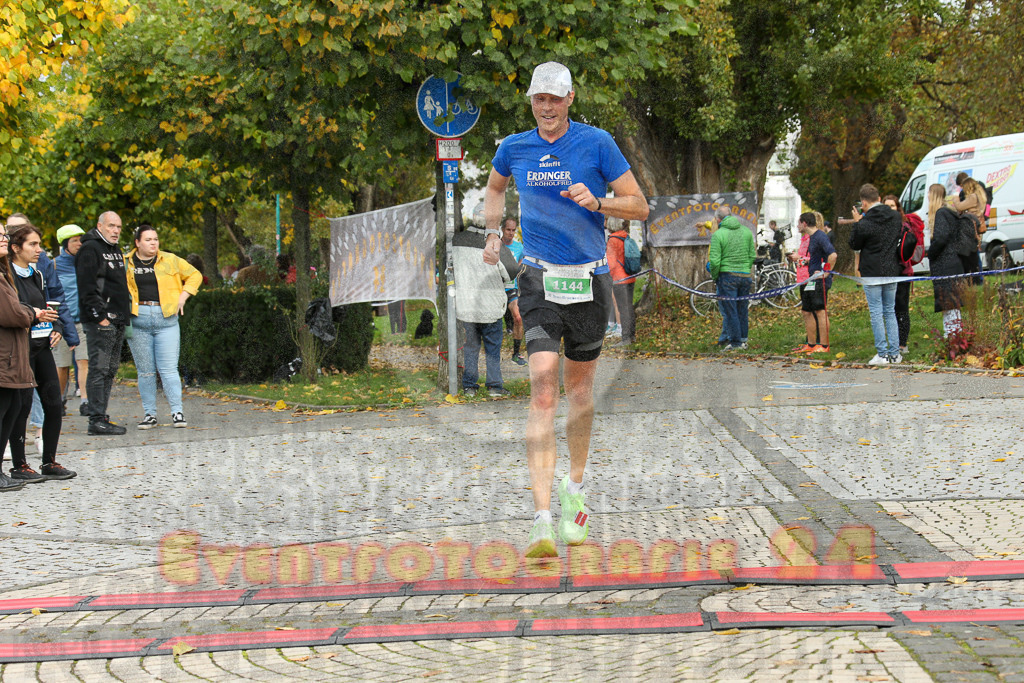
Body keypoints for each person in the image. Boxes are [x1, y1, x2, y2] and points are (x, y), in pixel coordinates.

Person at [483, 62, 649, 558]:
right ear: (531, 101)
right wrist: (493, 233)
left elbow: (639, 205)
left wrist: (599, 202)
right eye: (539, 99)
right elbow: (493, 188)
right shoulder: (513, 148)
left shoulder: (597, 143)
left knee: (579, 391)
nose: (547, 107)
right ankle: (539, 520)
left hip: (590, 279)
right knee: (542, 391)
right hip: (536, 278)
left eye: (555, 98)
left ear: (571, 98)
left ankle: (573, 488)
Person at [6, 223, 76, 481]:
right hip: (20, 350)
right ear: (16, 248)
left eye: (40, 244)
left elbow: (46, 305)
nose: (39, 249)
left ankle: (50, 461)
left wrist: (56, 326)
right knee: (21, 408)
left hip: (42, 347)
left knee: (54, 405)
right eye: (32, 245)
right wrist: (36, 318)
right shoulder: (7, 276)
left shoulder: (37, 273)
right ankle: (19, 465)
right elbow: (16, 311)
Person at [124, 225, 203, 429]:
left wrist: (183, 297)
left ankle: (177, 412)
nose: (153, 243)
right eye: (148, 239)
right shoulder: (125, 262)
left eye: (156, 239)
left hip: (166, 319)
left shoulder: (170, 259)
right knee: (146, 372)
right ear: (137, 243)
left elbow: (195, 275)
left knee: (168, 369)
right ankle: (150, 415)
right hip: (138, 319)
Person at [454, 207, 520, 397]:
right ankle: (494, 386)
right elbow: (511, 272)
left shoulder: (457, 240)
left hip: (467, 305)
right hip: (490, 305)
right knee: (492, 348)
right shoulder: (496, 244)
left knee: (471, 347)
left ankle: (469, 387)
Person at [76, 211, 131, 435]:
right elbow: (87, 288)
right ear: (100, 225)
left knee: (110, 369)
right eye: (111, 226)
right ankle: (95, 419)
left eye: (118, 226)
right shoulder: (90, 249)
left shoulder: (114, 249)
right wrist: (101, 317)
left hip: (117, 319)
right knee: (99, 369)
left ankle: (101, 414)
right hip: (101, 320)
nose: (116, 230)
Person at [0, 222, 39, 492]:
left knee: (12, 409)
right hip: (3, 355)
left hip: (11, 353)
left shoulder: (4, 272)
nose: (3, 238)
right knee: (4, 410)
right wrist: (31, 314)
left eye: (3, 233)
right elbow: (11, 313)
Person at [849, 184, 903, 365]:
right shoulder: (895, 216)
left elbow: (854, 244)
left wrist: (857, 223)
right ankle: (895, 353)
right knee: (890, 311)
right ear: (879, 199)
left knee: (876, 312)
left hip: (872, 270)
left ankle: (882, 354)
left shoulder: (865, 222)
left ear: (863, 202)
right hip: (890, 269)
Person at [708, 206, 756, 351]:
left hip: (727, 276)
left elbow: (715, 262)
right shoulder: (747, 232)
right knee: (742, 309)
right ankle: (743, 340)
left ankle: (735, 343)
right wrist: (745, 269)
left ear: (718, 219)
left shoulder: (718, 235)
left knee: (730, 311)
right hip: (745, 276)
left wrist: (715, 276)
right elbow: (752, 256)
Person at [53, 224, 89, 412]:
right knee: (63, 365)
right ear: (65, 244)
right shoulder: (55, 265)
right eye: (74, 241)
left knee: (84, 361)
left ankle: (85, 401)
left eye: (81, 240)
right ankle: (59, 400)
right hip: (62, 323)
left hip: (83, 321)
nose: (79, 244)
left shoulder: (87, 263)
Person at [883, 195, 924, 354]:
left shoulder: (903, 226)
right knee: (889, 309)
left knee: (901, 309)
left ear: (897, 207)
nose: (889, 209)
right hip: (887, 274)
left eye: (892, 206)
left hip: (902, 273)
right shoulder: (882, 226)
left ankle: (902, 344)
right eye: (886, 206)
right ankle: (893, 341)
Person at [925, 184, 965, 337]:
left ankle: (953, 339)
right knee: (952, 305)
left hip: (945, 264)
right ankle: (955, 338)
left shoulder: (941, 213)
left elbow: (941, 238)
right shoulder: (950, 212)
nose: (927, 196)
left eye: (929, 192)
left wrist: (931, 253)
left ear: (933, 195)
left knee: (949, 304)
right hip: (953, 263)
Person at [793, 212, 836, 353]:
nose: (797, 226)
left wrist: (826, 272)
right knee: (806, 311)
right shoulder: (810, 238)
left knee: (820, 311)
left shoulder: (820, 236)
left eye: (799, 223)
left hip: (819, 281)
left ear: (805, 223)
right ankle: (811, 344)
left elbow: (833, 255)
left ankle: (824, 345)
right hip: (808, 279)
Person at [500, 217, 527, 365]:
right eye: (508, 230)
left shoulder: (519, 248)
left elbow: (522, 265)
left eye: (513, 230)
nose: (510, 233)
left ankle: (516, 354)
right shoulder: (495, 245)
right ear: (503, 229)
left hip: (512, 288)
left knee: (518, 318)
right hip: (496, 289)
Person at [606, 219, 636, 346]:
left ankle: (626, 339)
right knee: (629, 307)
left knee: (623, 310)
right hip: (630, 276)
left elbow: (611, 263)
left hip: (619, 279)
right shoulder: (626, 237)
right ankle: (632, 336)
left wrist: (606, 275)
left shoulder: (613, 240)